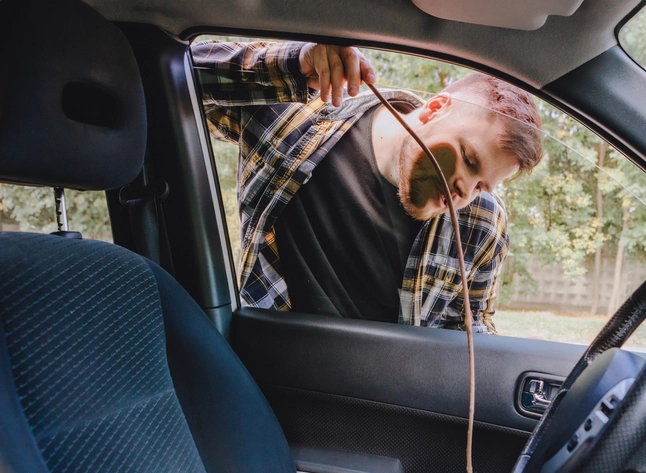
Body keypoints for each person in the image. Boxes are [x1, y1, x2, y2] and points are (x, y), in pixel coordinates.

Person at [192, 41, 543, 332]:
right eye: (468, 159)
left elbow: (471, 326)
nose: (465, 192)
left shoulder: (483, 221)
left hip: (383, 399)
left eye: (483, 185)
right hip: (268, 372)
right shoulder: (298, 114)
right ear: (435, 109)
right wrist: (294, 65)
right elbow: (178, 79)